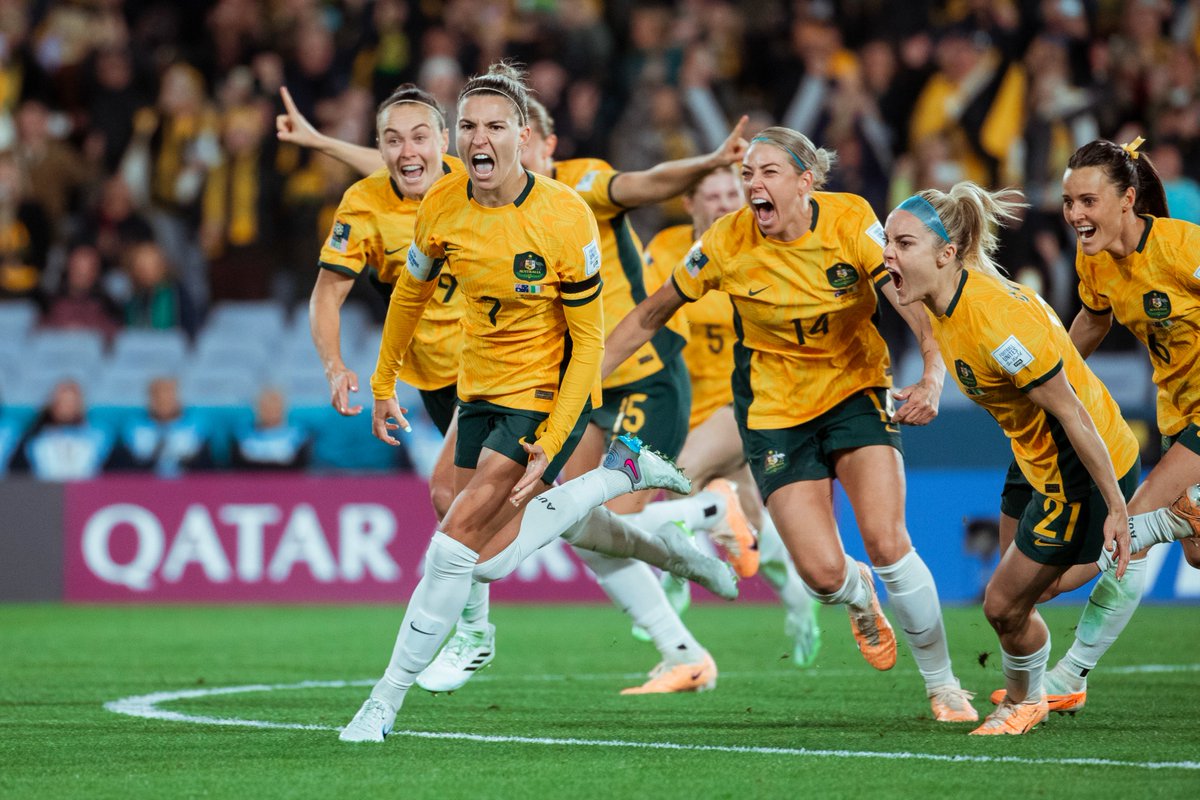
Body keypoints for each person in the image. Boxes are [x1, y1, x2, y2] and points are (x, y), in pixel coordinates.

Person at [294, 92, 754, 697]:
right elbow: (395, 177)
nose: (412, 152)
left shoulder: (521, 186)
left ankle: (474, 634)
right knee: (564, 520)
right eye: (392, 141)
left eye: (423, 138)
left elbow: (640, 184)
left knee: (463, 516)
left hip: (529, 373)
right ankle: (682, 634)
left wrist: (704, 164)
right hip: (446, 380)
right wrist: (325, 143)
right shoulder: (403, 195)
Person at [604, 127, 977, 723]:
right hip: (775, 414)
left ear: (806, 181)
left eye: (767, 172)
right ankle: (856, 598)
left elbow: (909, 299)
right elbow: (651, 313)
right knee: (823, 575)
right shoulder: (726, 241)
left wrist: (933, 374)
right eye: (747, 173)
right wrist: (587, 380)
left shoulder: (852, 221)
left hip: (855, 393)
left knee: (886, 540)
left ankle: (945, 685)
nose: (752, 184)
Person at [880, 181, 1200, 735]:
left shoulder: (994, 320)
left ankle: (1027, 700)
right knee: (1018, 596)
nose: (888, 254)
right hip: (1030, 454)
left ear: (946, 253)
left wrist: (1119, 510)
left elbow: (1075, 414)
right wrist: (930, 382)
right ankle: (1038, 685)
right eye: (887, 241)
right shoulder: (943, 296)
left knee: (1006, 604)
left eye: (902, 243)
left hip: (1072, 461)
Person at [991, 137, 1200, 715]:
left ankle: (1070, 675)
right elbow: (1091, 320)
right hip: (1177, 413)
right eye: (1067, 202)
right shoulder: (1095, 259)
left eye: (1088, 201)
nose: (1076, 216)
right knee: (1195, 552)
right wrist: (1044, 373)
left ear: (1127, 199)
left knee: (1132, 530)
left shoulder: (1185, 249)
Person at [640, 164, 821, 667]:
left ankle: (670, 587)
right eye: (713, 194)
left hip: (740, 403)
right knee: (754, 528)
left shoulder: (754, 248)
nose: (724, 202)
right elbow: (651, 311)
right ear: (691, 203)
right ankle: (801, 607)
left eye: (730, 194)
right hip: (682, 408)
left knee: (678, 480)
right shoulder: (667, 250)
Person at [10, 379, 113, 481]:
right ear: (53, 404)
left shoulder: (98, 437)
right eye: (63, 402)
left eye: (72, 403)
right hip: (42, 493)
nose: (67, 408)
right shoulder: (34, 438)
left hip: (87, 493)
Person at [112, 376, 213, 477]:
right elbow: (128, 466)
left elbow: (207, 467)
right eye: (157, 395)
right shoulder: (134, 428)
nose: (163, 400)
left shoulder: (196, 427)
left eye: (169, 394)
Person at [231, 387, 311, 470]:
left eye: (275, 405)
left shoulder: (299, 435)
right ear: (257, 407)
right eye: (265, 405)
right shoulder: (242, 435)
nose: (270, 410)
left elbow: (300, 467)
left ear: (284, 407)